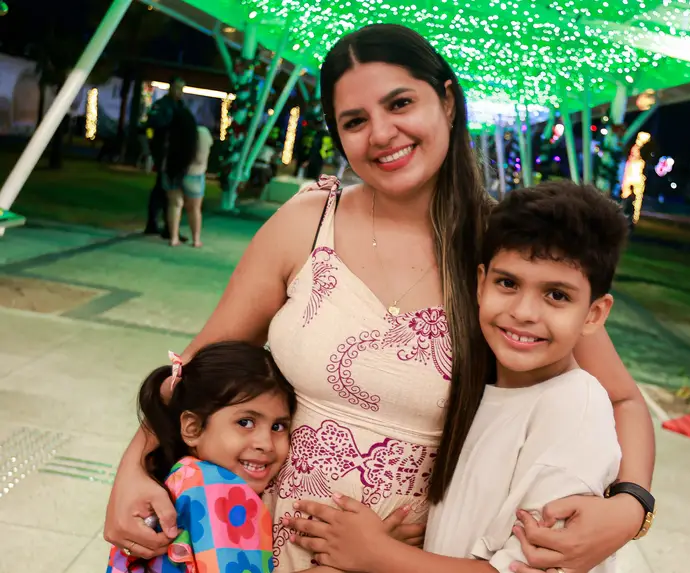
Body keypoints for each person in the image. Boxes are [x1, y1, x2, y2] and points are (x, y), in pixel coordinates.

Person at [103, 24, 655, 573]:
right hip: (258, 541)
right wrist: (135, 467)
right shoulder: (307, 221)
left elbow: (621, 400)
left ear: (446, 101)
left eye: (400, 103)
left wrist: (630, 508)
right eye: (355, 121)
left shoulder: (509, 256)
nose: (383, 133)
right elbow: (198, 365)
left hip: (410, 557)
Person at [283, 181, 629, 573]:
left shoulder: (572, 409)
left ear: (595, 314)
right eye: (508, 283)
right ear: (480, 283)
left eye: (557, 295)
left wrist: (378, 554)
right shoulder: (489, 390)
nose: (524, 311)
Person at [105, 341, 296, 571]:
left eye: (278, 427)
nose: (266, 444)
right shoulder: (224, 491)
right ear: (192, 428)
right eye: (245, 422)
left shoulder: (179, 475)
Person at [145, 76, 187, 241]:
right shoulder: (163, 106)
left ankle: (165, 225)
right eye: (177, 88)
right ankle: (159, 224)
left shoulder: (179, 106)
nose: (179, 92)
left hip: (174, 152)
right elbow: (153, 124)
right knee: (164, 188)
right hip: (164, 151)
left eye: (181, 89)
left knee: (165, 188)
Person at [166, 117, 213, 248]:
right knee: (194, 209)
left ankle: (173, 238)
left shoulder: (175, 133)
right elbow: (202, 156)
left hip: (174, 172)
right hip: (195, 173)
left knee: (175, 205)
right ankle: (196, 239)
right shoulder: (203, 134)